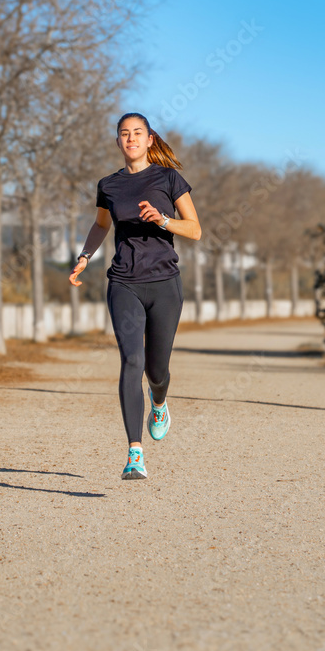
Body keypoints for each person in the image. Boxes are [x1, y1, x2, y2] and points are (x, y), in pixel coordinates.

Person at [68, 112, 201, 480]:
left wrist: (162, 220)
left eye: (137, 133)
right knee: (131, 360)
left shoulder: (168, 178)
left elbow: (195, 229)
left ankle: (159, 403)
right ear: (118, 142)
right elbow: (100, 224)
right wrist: (84, 257)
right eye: (124, 134)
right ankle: (134, 453)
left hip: (164, 284)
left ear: (150, 140)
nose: (130, 139)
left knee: (156, 370)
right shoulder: (108, 185)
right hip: (123, 282)